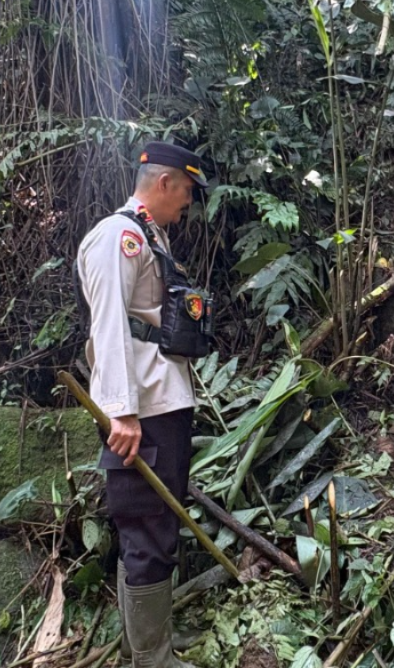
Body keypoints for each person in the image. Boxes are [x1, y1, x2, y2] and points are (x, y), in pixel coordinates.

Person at [77, 141, 208, 667]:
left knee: (155, 525)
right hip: (141, 411)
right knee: (148, 528)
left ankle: (148, 646)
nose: (190, 205)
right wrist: (120, 411)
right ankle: (152, 661)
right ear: (164, 183)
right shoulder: (120, 236)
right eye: (188, 193)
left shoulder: (148, 236)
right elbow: (108, 322)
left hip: (158, 400)